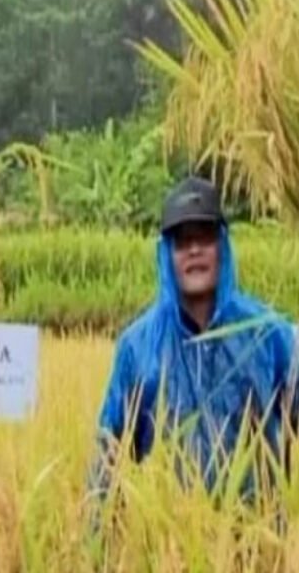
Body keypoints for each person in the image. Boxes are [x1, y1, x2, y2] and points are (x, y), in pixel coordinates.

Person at [87, 176, 298, 513]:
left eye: (205, 237)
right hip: (169, 545)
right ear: (166, 254)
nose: (195, 250)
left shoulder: (268, 333)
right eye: (183, 241)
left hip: (260, 545)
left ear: (223, 247)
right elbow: (107, 455)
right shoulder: (138, 346)